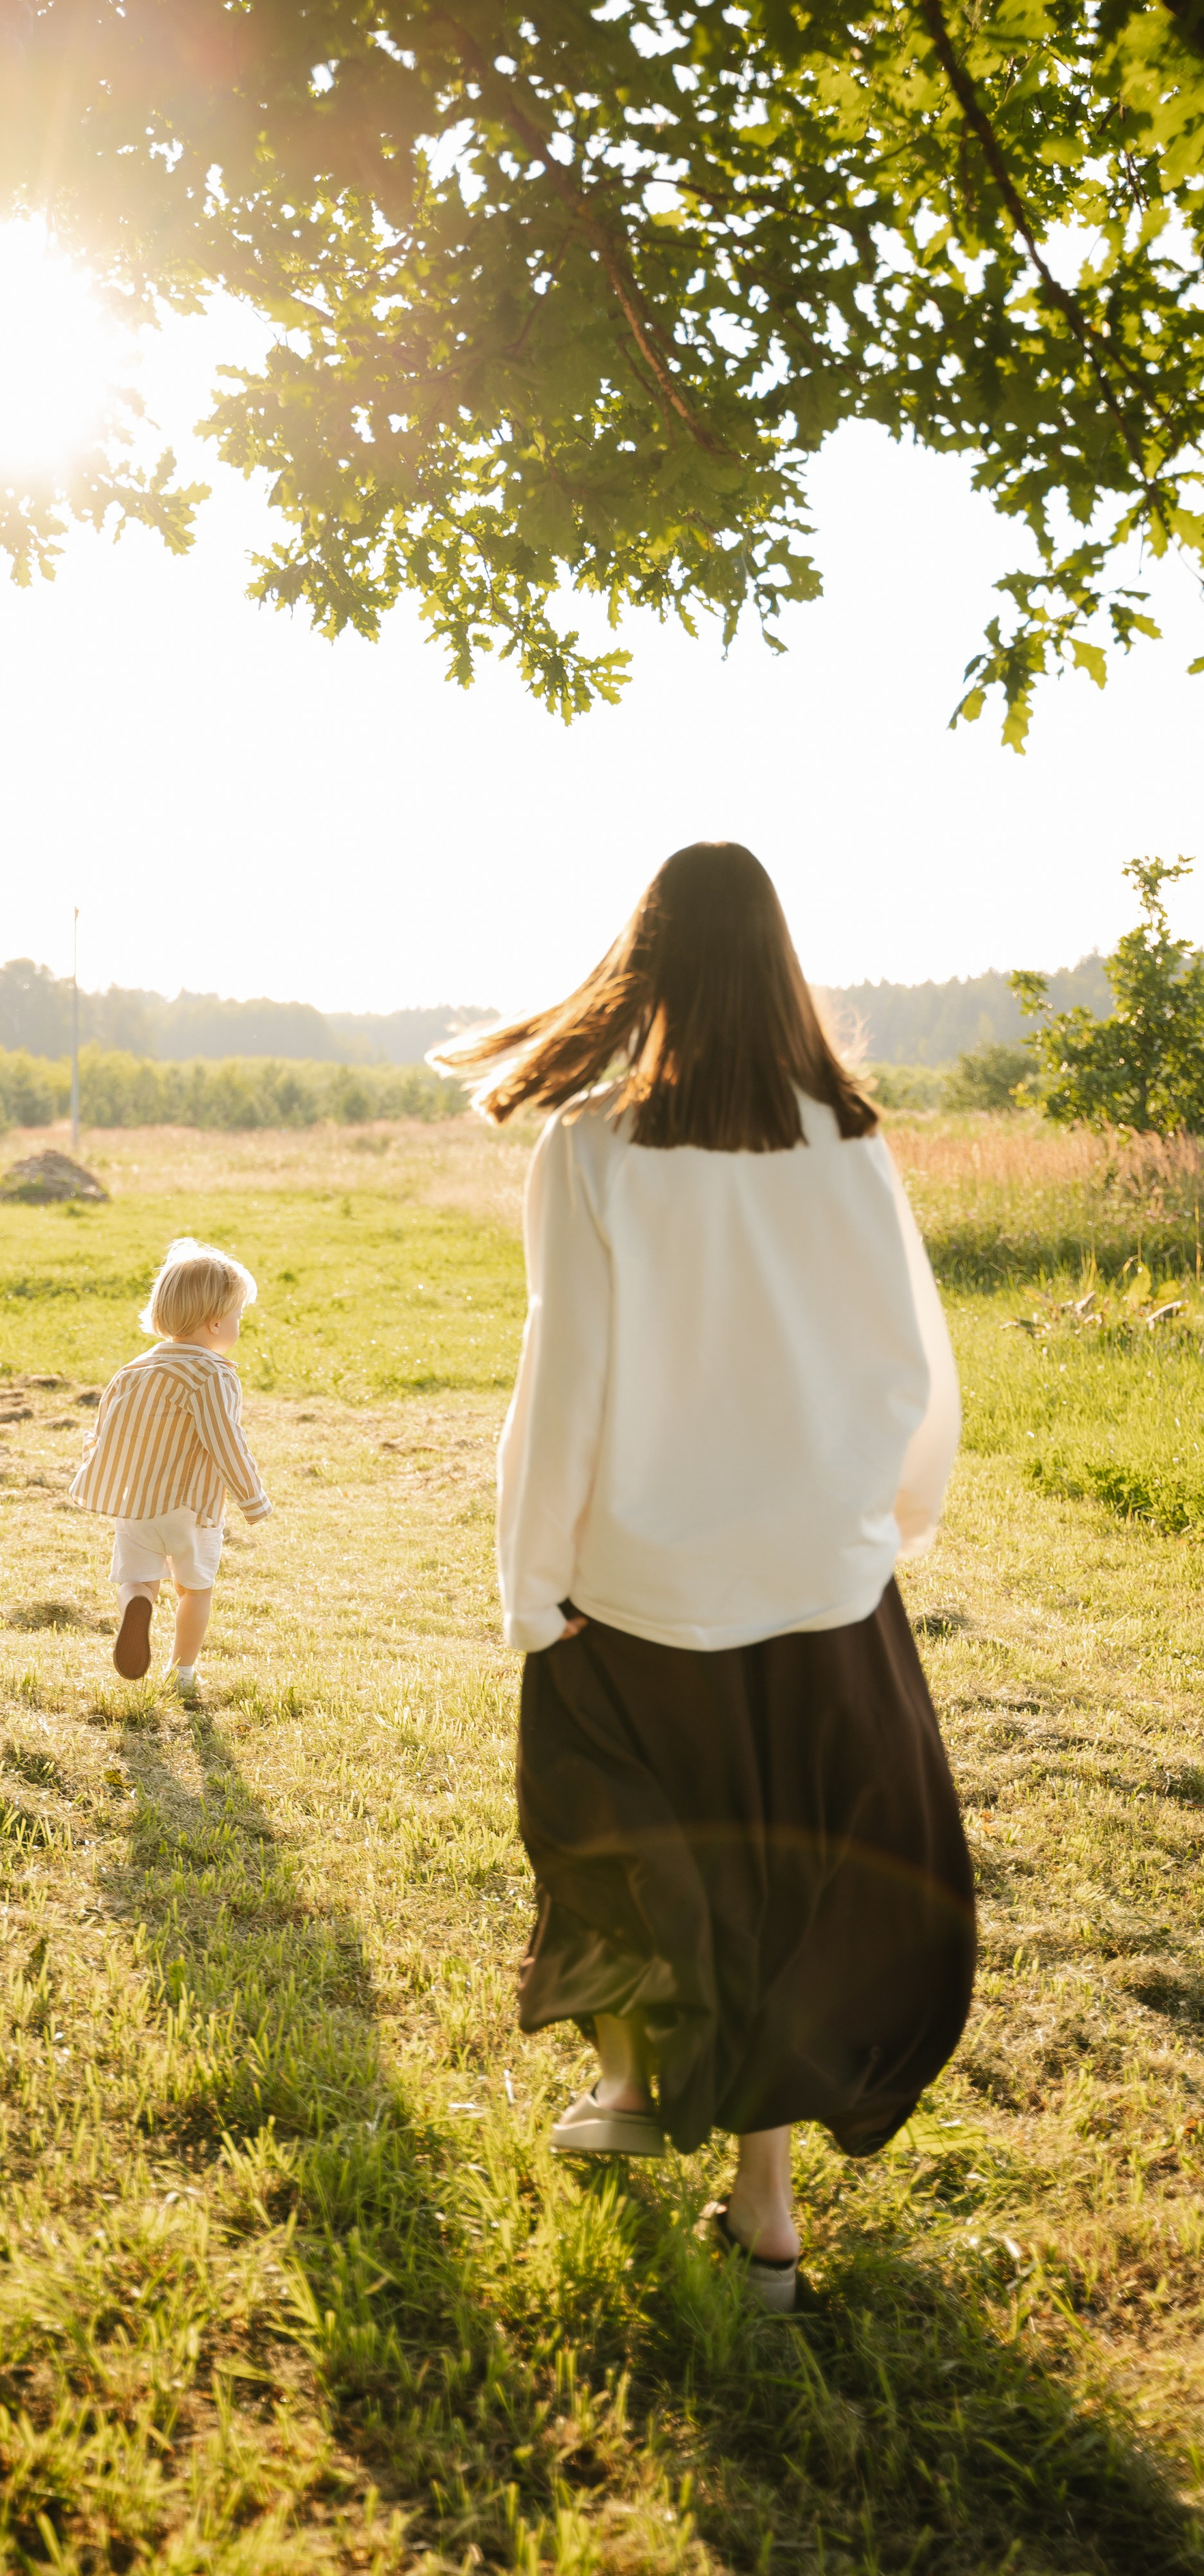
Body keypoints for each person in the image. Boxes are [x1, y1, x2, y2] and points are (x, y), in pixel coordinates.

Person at [440, 842, 974, 2315]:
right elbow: (913, 1351)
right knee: (781, 1880)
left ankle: (620, 2081)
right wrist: (893, 1520)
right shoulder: (845, 1138)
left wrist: (530, 1573)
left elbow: (567, 1380)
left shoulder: (592, 1147)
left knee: (606, 1821)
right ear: (778, 966)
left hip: (645, 1580)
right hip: (818, 1574)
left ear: (648, 964)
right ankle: (764, 2218)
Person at [68, 1238, 272, 1702]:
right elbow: (226, 1441)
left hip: (135, 1506)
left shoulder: (134, 1370)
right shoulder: (213, 1374)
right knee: (194, 1590)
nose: (238, 1326)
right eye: (238, 1317)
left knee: (136, 1579)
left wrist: (98, 1477)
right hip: (189, 1509)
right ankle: (183, 1672)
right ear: (216, 1321)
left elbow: (103, 1433)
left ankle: (136, 1605)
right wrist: (252, 1499)